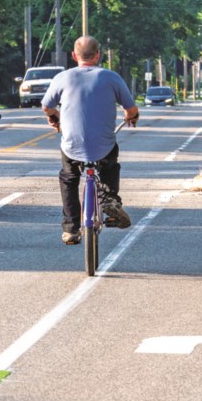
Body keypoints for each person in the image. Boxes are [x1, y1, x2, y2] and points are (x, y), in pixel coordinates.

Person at [41, 36, 139, 245]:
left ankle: (70, 228)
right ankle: (110, 199)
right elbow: (131, 108)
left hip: (71, 144)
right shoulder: (111, 77)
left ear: (74, 56)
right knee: (110, 166)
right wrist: (131, 116)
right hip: (103, 145)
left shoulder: (62, 78)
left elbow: (47, 107)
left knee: (69, 177)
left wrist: (55, 118)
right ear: (98, 55)